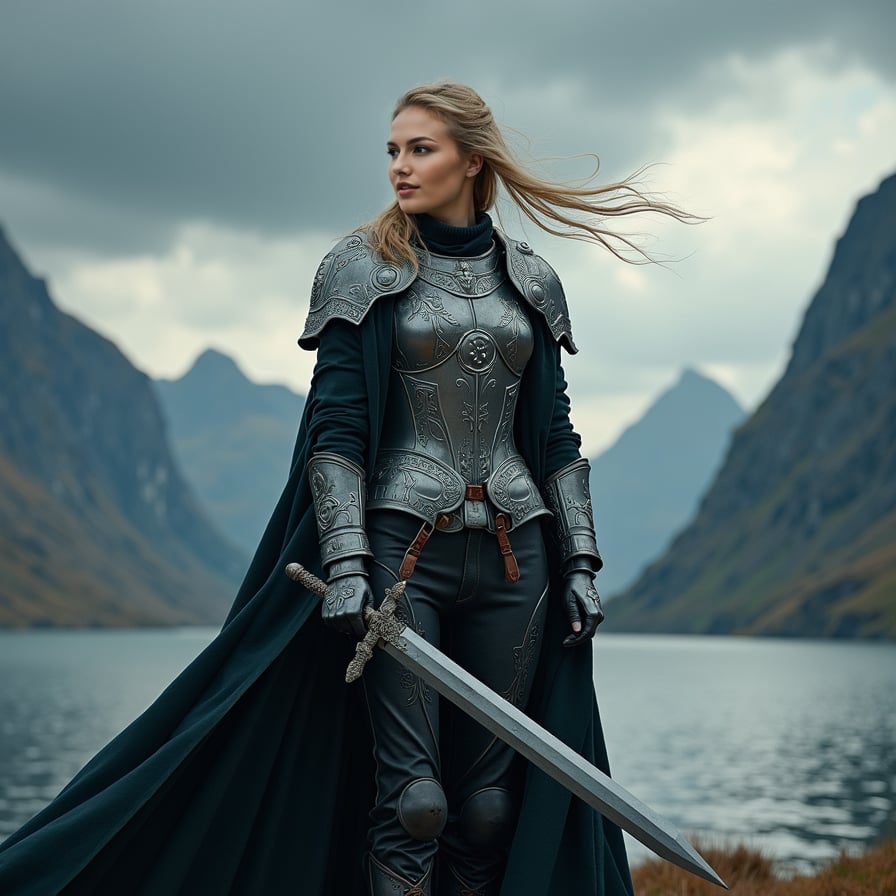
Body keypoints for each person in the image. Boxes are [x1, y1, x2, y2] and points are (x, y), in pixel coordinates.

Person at [0, 82, 690, 896]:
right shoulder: (363, 268)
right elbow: (336, 434)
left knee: (490, 810)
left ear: (473, 159)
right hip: (404, 559)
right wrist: (350, 562)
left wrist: (580, 562)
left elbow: (556, 438)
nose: (400, 166)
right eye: (392, 150)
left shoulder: (533, 282)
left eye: (420, 149)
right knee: (416, 804)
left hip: (519, 565)